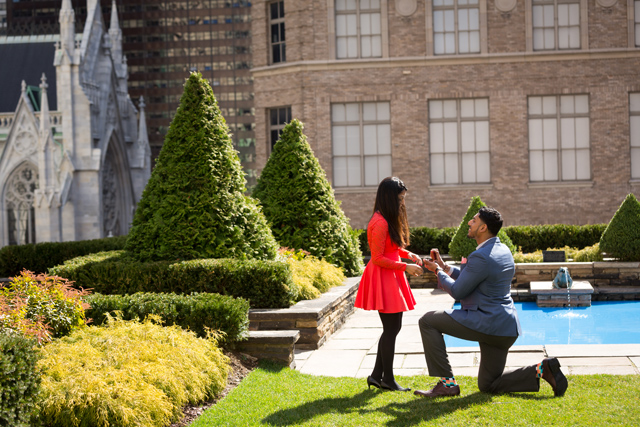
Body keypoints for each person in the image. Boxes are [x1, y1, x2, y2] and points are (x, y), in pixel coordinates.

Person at [414, 206, 568, 398]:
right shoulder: (501, 250)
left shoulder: (481, 256)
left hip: (486, 322)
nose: (469, 222)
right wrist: (444, 267)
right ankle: (542, 370)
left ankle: (447, 384)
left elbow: (458, 291)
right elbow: (473, 277)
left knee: (428, 321)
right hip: (505, 328)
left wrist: (437, 271)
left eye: (474, 220)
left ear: (482, 228)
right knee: (488, 384)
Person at [354, 177, 423, 392]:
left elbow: (391, 248)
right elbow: (377, 258)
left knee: (392, 328)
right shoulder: (380, 222)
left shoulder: (386, 218)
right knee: (391, 329)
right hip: (384, 276)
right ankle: (388, 379)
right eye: (400, 199)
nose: (402, 203)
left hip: (391, 275)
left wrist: (408, 254)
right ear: (388, 198)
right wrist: (406, 267)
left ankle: (377, 376)